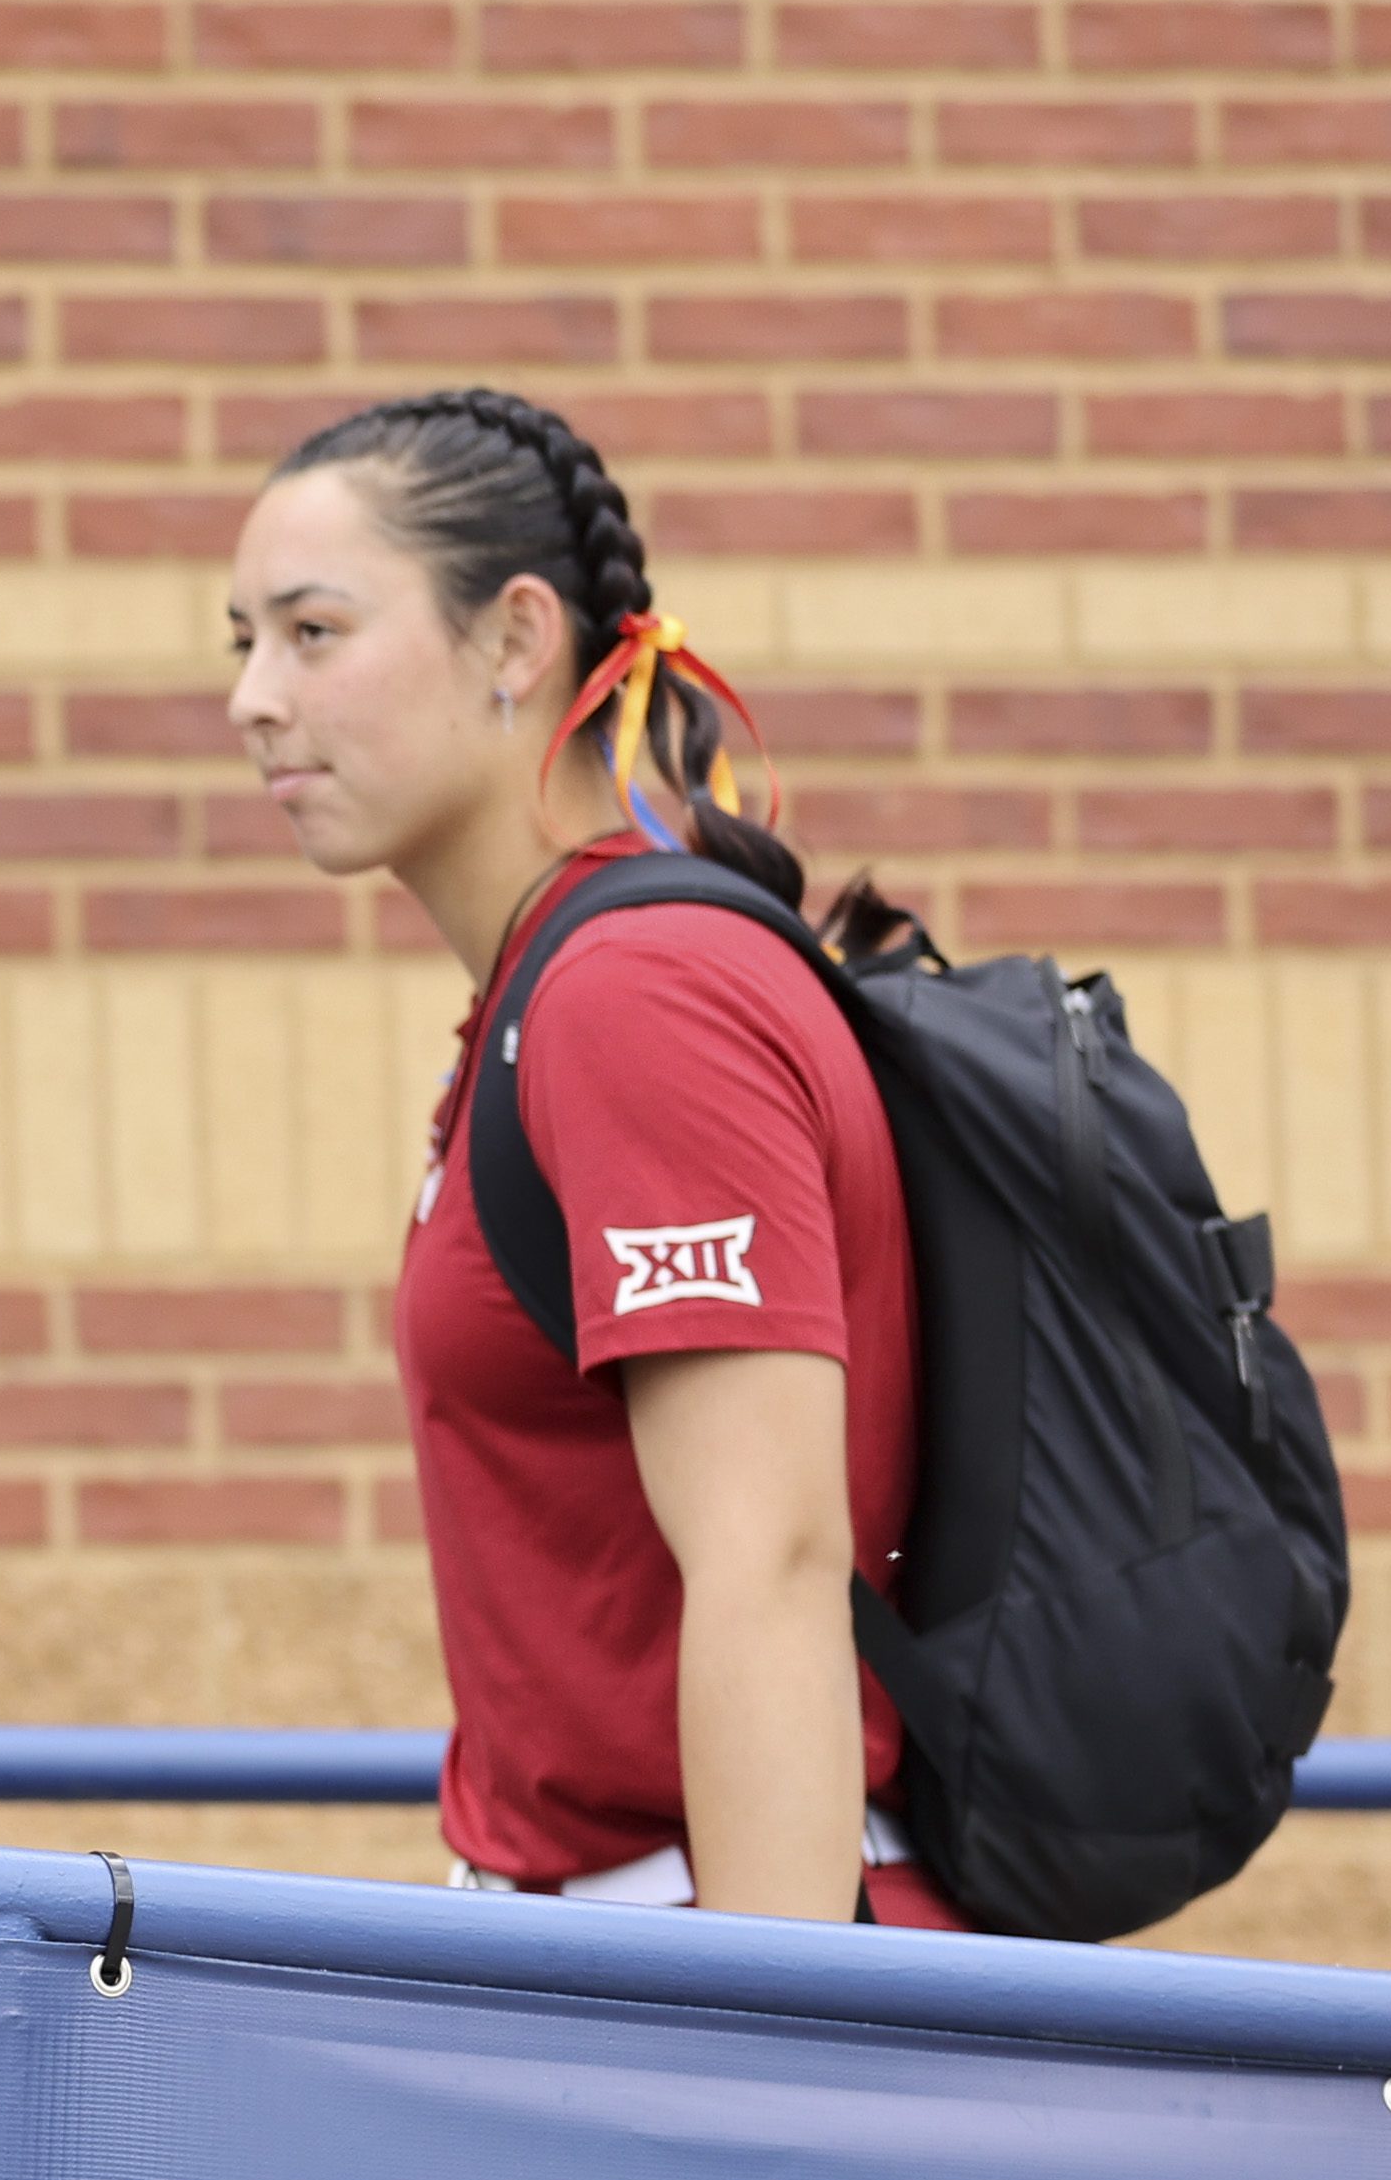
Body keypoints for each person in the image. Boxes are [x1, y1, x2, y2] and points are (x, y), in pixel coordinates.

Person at [224, 387, 952, 1926]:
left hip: (706, 1960)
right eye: (239, 642)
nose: (252, 699)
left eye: (311, 632)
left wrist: (762, 2072)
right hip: (600, 1956)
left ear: (514, 640)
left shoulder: (634, 997)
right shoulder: (551, 983)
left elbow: (770, 1557)